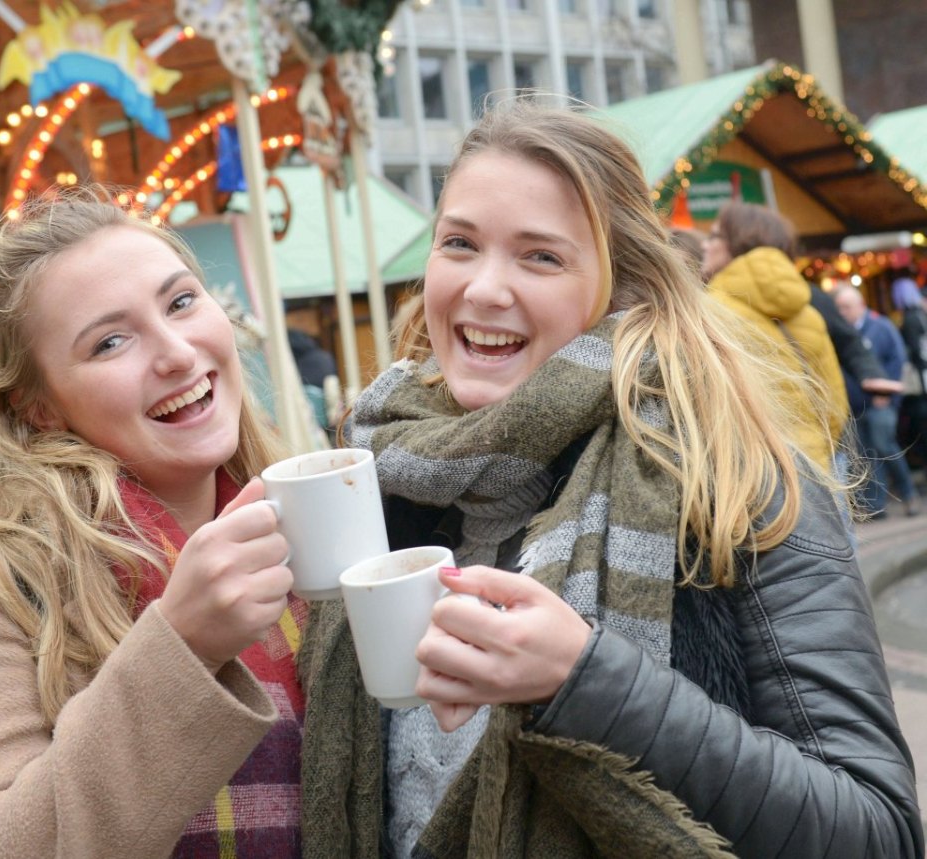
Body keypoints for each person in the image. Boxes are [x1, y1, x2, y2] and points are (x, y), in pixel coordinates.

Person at [299, 99, 922, 858]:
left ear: (624, 286)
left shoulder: (731, 481)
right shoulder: (384, 483)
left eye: (541, 256)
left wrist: (584, 678)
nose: (485, 288)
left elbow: (876, 829)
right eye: (459, 243)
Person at [0, 187, 305, 857]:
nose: (178, 352)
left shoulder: (310, 534)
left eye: (181, 301)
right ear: (39, 408)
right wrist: (182, 647)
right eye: (110, 341)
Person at [698, 201, 847, 473]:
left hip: (751, 473)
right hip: (815, 465)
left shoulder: (705, 313)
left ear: (738, 241)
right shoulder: (807, 313)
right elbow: (834, 402)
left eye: (714, 236)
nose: (705, 245)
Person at [834, 283, 921, 517]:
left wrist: (887, 391)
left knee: (885, 447)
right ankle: (876, 505)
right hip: (854, 405)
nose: (843, 312)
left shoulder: (880, 327)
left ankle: (909, 493)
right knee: (865, 454)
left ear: (861, 305)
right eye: (839, 307)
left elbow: (898, 359)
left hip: (881, 403)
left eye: (847, 307)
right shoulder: (840, 333)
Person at [892, 274, 927, 470]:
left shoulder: (911, 318)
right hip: (924, 374)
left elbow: (911, 350)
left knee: (919, 420)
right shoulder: (920, 314)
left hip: (919, 378)